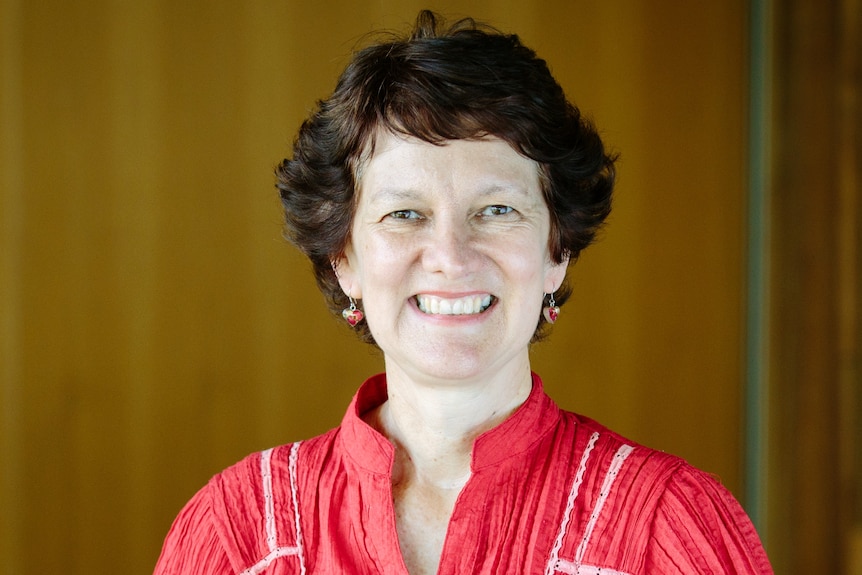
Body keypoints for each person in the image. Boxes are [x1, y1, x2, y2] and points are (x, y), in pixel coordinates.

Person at [154, 10, 772, 574]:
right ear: (344, 259)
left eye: (496, 209)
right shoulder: (237, 536)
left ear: (557, 250)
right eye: (405, 214)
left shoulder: (668, 528)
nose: (451, 258)